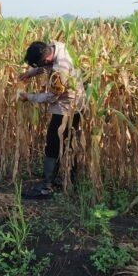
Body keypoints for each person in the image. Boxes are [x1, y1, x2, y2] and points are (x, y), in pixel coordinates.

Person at [18, 40, 85, 198]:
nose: (42, 67)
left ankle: (47, 188)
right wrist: (30, 73)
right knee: (70, 143)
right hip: (78, 103)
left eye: (41, 64)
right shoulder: (56, 47)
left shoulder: (60, 69)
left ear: (46, 59)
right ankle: (72, 181)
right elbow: (43, 66)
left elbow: (53, 96)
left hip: (67, 108)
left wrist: (29, 97)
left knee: (53, 144)